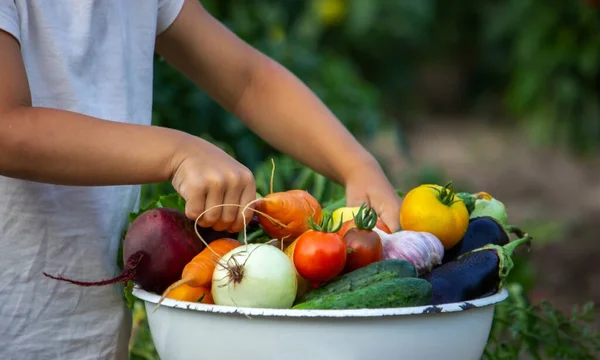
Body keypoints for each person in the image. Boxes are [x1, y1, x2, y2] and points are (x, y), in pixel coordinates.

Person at [0, 0, 403, 358]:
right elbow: (7, 130)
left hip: (88, 323)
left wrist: (356, 165)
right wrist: (177, 153)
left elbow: (247, 80)